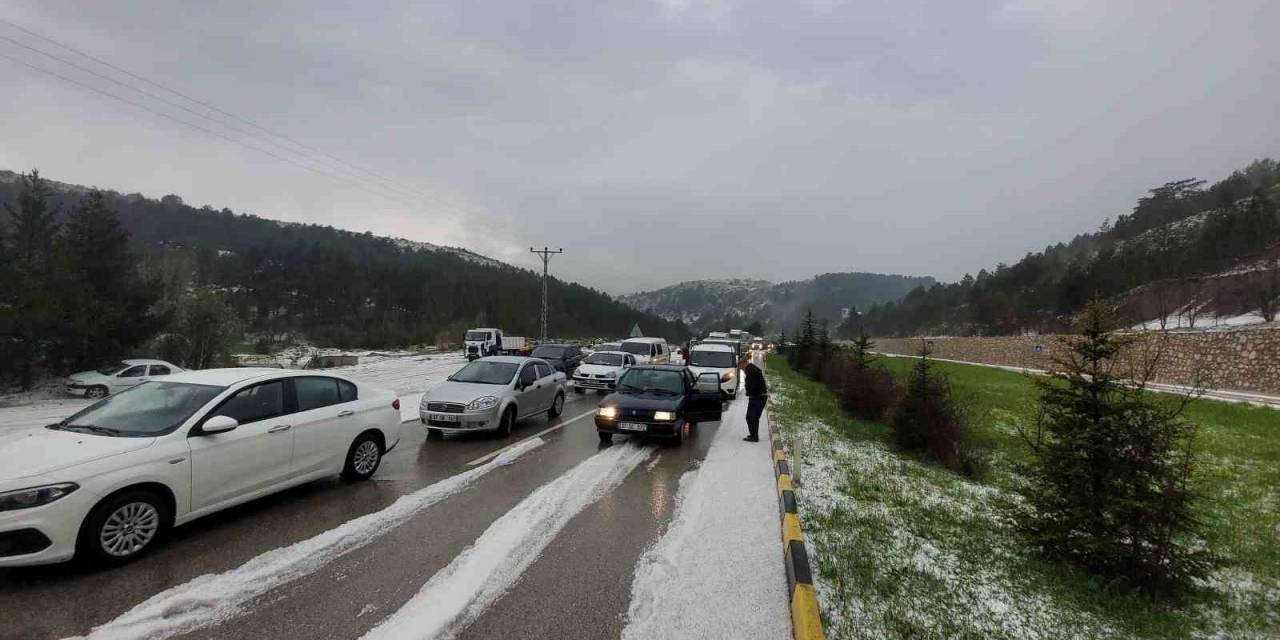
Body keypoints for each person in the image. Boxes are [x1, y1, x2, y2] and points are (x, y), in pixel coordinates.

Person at [740, 355, 767, 442]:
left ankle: (754, 437)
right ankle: (753, 435)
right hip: (758, 397)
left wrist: (749, 390)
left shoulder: (750, 370)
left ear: (744, 364)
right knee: (752, 417)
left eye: (741, 367)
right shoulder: (751, 369)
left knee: (751, 417)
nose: (741, 370)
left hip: (758, 397)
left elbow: (752, 385)